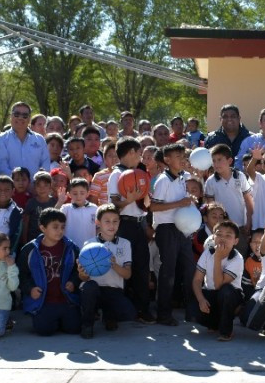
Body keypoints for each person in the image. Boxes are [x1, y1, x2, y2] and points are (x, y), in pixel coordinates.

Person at [150, 143, 195, 327]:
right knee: (168, 271)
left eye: (183, 155)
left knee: (190, 267)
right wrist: (179, 203)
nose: (182, 158)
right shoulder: (163, 180)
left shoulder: (184, 176)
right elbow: (153, 206)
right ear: (167, 160)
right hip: (166, 228)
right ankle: (163, 314)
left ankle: (192, 311)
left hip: (182, 227)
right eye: (177, 156)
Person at [17, 207, 81, 335]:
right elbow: (22, 275)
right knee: (44, 331)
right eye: (55, 227)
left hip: (66, 299)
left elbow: (78, 271)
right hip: (43, 301)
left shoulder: (71, 248)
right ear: (43, 228)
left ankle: (63, 318)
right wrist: (30, 289)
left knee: (74, 329)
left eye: (62, 227)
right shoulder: (29, 250)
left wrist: (73, 282)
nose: (60, 231)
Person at [77, 204, 137, 338]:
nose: (111, 225)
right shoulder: (89, 244)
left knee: (129, 314)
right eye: (107, 221)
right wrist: (82, 274)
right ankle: (87, 323)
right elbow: (83, 278)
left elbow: (127, 275)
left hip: (114, 289)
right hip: (94, 288)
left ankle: (109, 316)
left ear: (119, 223)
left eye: (115, 221)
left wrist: (114, 264)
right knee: (89, 288)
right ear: (98, 222)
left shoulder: (125, 244)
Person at [109, 138, 152, 322]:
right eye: (139, 152)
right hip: (123, 225)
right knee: (122, 267)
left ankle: (142, 310)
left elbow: (145, 203)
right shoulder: (116, 175)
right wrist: (129, 199)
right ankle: (119, 310)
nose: (140, 157)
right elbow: (114, 205)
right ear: (132, 152)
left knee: (142, 268)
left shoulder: (139, 173)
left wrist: (145, 200)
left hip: (139, 223)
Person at [192, 220, 244, 341]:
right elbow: (197, 280)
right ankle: (214, 324)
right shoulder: (206, 253)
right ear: (213, 237)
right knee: (193, 309)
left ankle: (226, 332)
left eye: (228, 236)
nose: (222, 238)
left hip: (230, 295)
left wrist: (217, 258)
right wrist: (201, 300)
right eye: (219, 234)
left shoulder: (237, 258)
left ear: (235, 241)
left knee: (225, 291)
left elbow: (218, 285)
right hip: (212, 294)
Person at [204, 144, 253, 237]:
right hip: (220, 228)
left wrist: (249, 221)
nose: (216, 164)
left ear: (229, 161)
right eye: (213, 160)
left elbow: (248, 200)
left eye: (219, 160)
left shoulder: (240, 176)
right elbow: (210, 207)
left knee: (241, 249)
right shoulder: (210, 181)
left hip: (240, 225)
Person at [0, 102, 50, 176]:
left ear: (29, 119)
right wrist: (18, 182)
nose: (20, 118)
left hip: (35, 186)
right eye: (16, 114)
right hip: (10, 186)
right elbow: (0, 167)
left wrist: (39, 182)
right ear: (11, 117)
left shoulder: (40, 140)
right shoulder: (1, 139)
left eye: (25, 115)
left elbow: (45, 166)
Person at [60, 178, 97, 252]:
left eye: (82, 193)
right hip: (69, 249)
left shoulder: (94, 208)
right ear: (69, 194)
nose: (78, 196)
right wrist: (60, 202)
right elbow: (53, 217)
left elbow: (99, 228)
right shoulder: (66, 208)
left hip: (90, 248)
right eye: (75, 193)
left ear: (88, 193)